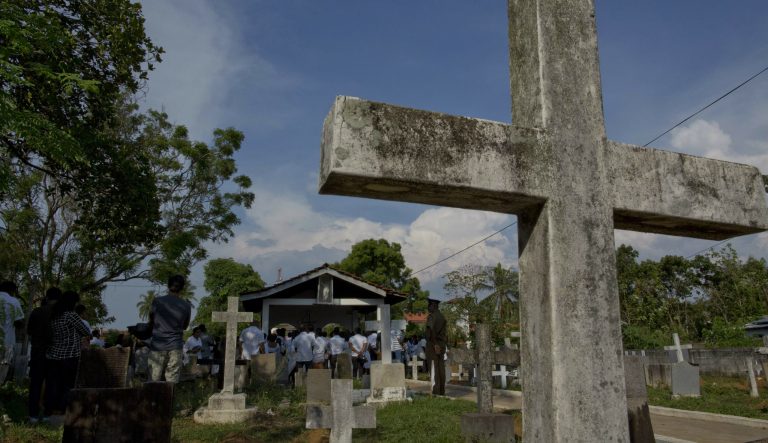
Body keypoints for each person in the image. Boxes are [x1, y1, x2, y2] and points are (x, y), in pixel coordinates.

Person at [44, 290, 92, 416]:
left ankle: (49, 411)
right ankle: (62, 411)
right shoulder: (71, 315)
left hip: (53, 355)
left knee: (53, 385)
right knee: (67, 385)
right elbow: (86, 331)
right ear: (73, 303)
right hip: (70, 356)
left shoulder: (55, 316)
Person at [148, 275, 192, 383]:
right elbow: (185, 326)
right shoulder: (186, 305)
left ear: (168, 286)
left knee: (153, 380)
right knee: (172, 381)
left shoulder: (157, 301)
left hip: (157, 345)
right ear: (182, 288)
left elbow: (151, 321)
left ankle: (153, 400)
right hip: (175, 345)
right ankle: (168, 400)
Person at [26, 287, 60, 422]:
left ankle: (33, 415)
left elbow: (29, 331)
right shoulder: (61, 314)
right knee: (52, 385)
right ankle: (47, 414)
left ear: (47, 297)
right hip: (54, 353)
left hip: (37, 352)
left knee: (35, 384)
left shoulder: (37, 311)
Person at [426, 299, 447, 395]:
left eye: (429, 305)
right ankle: (442, 390)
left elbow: (431, 330)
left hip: (433, 345)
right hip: (442, 344)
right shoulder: (442, 317)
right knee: (441, 367)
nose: (428, 308)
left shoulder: (432, 316)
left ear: (433, 306)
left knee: (434, 367)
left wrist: (435, 344)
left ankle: (436, 391)